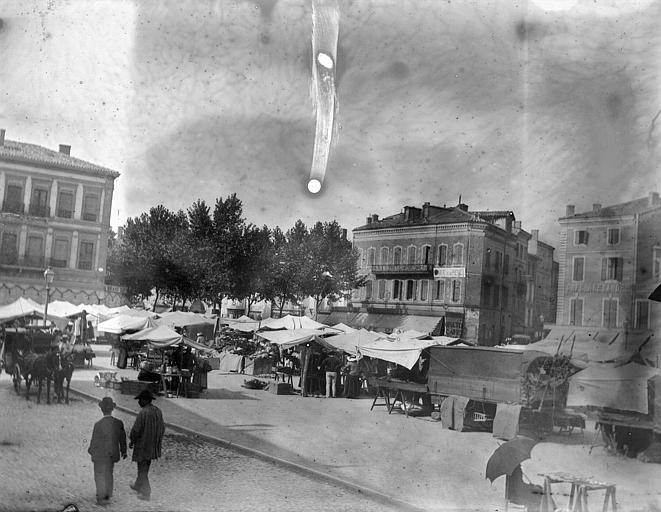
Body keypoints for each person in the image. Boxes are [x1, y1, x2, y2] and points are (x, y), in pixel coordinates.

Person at [87, 397, 127, 505]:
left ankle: (101, 496)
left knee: (99, 474)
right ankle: (108, 494)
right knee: (109, 473)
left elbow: (94, 440)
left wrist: (90, 450)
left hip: (100, 454)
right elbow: (122, 438)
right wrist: (124, 451)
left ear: (101, 409)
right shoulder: (119, 423)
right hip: (111, 454)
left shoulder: (98, 424)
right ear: (112, 409)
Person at [129, 389, 165, 501]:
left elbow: (136, 430)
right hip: (153, 446)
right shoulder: (158, 411)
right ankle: (138, 485)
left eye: (140, 400)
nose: (138, 402)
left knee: (142, 468)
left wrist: (132, 441)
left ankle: (146, 492)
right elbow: (163, 428)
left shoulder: (143, 412)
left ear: (145, 400)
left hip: (143, 445)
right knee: (145, 466)